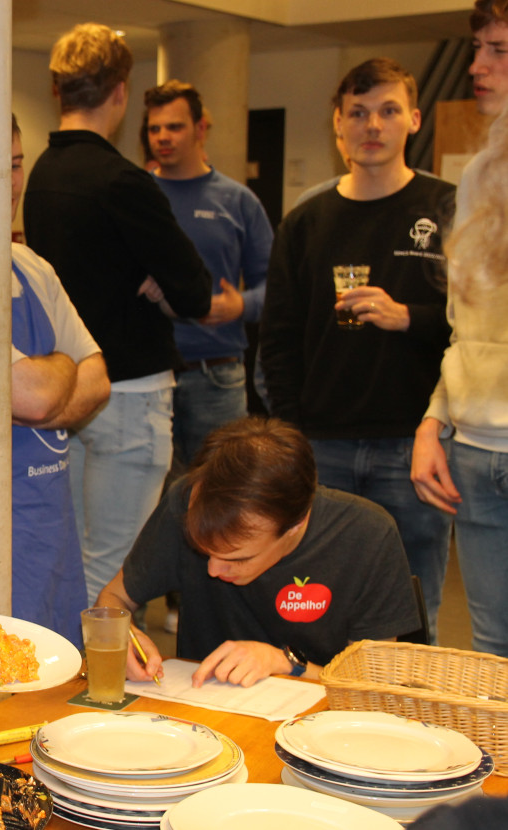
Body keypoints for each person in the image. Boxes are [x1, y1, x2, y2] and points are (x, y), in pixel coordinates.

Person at [260, 59, 454, 639]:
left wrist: (408, 317)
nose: (373, 125)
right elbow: (278, 341)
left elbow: (477, 328)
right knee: (318, 602)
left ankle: (411, 719)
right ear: (337, 126)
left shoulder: (448, 210)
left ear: (413, 120)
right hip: (324, 446)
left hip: (415, 444)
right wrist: (293, 437)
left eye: (388, 111)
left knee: (415, 607)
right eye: (359, 113)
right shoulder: (305, 222)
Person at [23, 23, 212, 606]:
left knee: (75, 559)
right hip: (129, 393)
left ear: (59, 92)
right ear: (121, 92)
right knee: (114, 572)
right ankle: (98, 691)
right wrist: (157, 286)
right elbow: (196, 293)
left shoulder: (39, 177)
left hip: (68, 388)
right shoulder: (123, 181)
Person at [96, 416, 420, 688]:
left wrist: (285, 663)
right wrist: (118, 634)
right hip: (205, 712)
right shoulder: (187, 503)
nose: (213, 569)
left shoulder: (367, 536)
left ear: (296, 524)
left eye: (237, 558)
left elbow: (377, 686)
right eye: (201, 549)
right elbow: (113, 599)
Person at [412, 0, 508, 658]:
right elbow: (465, 330)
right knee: (491, 648)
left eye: (498, 49)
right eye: (477, 47)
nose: (476, 65)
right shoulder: (477, 176)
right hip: (474, 448)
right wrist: (432, 421)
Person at [9, 115, 111, 647]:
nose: (10, 184)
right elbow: (37, 393)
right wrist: (59, 369)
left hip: (50, 517)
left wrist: (47, 385)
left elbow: (98, 379)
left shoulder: (32, 267)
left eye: (17, 164)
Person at [141, 80, 273, 468]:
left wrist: (240, 306)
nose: (163, 137)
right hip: (149, 374)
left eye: (175, 127)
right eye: (154, 128)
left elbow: (277, 289)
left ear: (200, 129)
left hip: (217, 375)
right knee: (156, 503)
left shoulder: (237, 201)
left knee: (222, 492)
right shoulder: (137, 195)